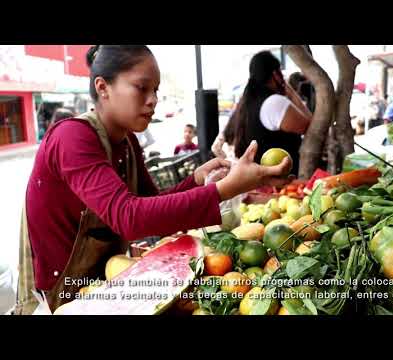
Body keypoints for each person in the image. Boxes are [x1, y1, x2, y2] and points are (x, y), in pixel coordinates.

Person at [15, 45, 292, 315]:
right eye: (142, 87)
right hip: (57, 298)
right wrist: (223, 190)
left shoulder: (127, 143)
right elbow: (129, 217)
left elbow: (151, 204)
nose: (153, 99)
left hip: (104, 287)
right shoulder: (72, 138)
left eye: (156, 90)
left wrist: (197, 179)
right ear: (103, 87)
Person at [232, 51, 313, 176]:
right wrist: (290, 91)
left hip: (263, 179)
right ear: (275, 74)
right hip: (282, 182)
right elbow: (310, 126)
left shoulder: (250, 102)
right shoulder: (273, 102)